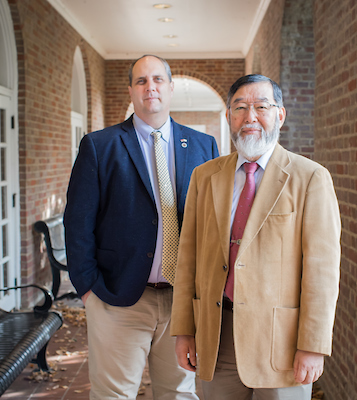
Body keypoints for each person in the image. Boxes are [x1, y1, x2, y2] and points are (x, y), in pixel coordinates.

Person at [170, 74, 341, 400]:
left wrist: (313, 345)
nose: (250, 117)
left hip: (282, 345)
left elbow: (322, 271)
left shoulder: (310, 178)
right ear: (229, 117)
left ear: (280, 114)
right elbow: (187, 259)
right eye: (240, 108)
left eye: (262, 106)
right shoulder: (205, 177)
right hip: (216, 337)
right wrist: (184, 330)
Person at [64, 54, 219, 399]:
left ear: (170, 87)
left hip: (183, 302)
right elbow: (78, 222)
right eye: (141, 81)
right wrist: (88, 288)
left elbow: (213, 223)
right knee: (113, 395)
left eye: (158, 80)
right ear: (131, 91)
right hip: (118, 298)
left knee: (180, 394)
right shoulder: (99, 145)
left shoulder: (202, 145)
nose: (150, 88)